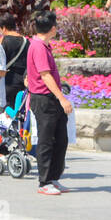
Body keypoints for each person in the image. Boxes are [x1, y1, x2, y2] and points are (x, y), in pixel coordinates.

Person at [28, 11, 73, 195]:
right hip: (44, 99)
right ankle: (44, 181)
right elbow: (45, 75)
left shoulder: (44, 45)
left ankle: (54, 178)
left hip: (51, 98)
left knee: (60, 139)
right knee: (46, 141)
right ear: (53, 28)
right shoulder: (38, 47)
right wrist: (62, 99)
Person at [0, 14, 28, 111]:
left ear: (3, 28)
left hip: (7, 82)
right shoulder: (26, 41)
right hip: (22, 82)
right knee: (19, 111)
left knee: (7, 112)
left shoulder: (3, 41)